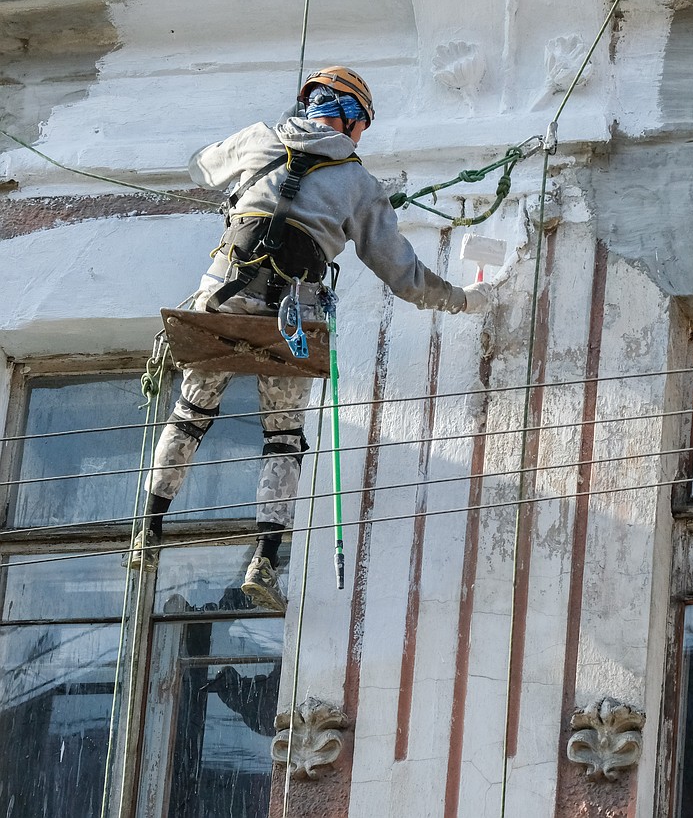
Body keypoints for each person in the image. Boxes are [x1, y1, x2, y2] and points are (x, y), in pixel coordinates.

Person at [128, 66, 492, 611]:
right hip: (291, 317)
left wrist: (242, 186)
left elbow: (202, 167)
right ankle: (266, 559)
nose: (359, 137)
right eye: (361, 126)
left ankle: (148, 530)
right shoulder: (361, 184)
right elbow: (405, 278)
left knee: (190, 414)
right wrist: (464, 299)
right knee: (283, 439)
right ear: (349, 119)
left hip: (224, 298)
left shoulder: (257, 139)